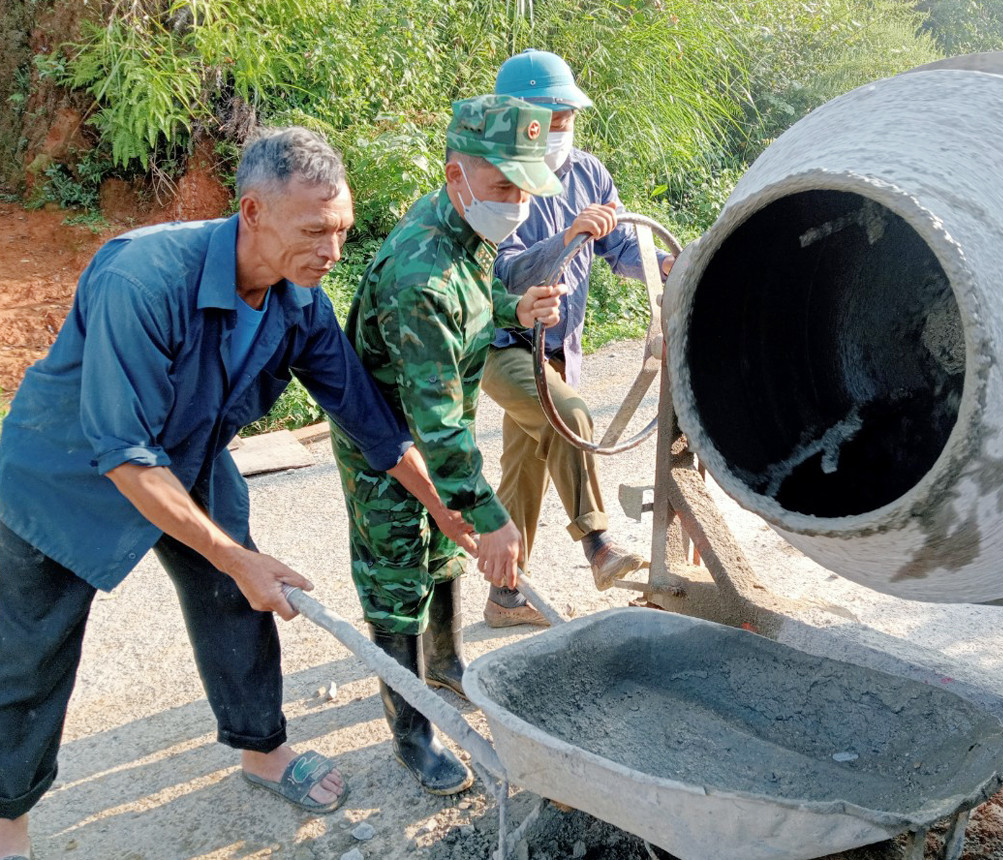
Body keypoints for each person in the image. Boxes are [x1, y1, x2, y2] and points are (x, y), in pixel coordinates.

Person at [0, 126, 475, 860]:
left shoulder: (301, 301)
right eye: (314, 230)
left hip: (188, 458)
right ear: (252, 212)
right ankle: (9, 829)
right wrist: (235, 556)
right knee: (30, 656)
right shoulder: (143, 277)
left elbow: (369, 421)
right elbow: (123, 456)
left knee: (236, 597)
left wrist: (443, 505)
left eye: (342, 230)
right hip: (62, 478)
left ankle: (264, 751)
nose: (332, 251)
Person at [330, 94, 566, 795]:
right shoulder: (419, 272)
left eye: (524, 187)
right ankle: (411, 731)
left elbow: (469, 298)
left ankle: (447, 665)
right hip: (390, 452)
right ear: (456, 175)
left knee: (444, 551)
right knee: (398, 578)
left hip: (439, 434)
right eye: (503, 188)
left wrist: (511, 308)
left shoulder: (461, 228)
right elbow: (433, 423)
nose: (516, 202)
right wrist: (491, 516)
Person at [480, 49, 676, 627]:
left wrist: (663, 265)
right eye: (551, 122)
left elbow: (620, 250)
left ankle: (505, 597)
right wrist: (567, 237)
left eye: (568, 121)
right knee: (568, 415)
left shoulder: (589, 173)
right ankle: (597, 543)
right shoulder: (497, 176)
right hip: (503, 343)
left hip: (560, 347)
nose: (562, 132)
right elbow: (507, 273)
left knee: (525, 470)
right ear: (519, 120)